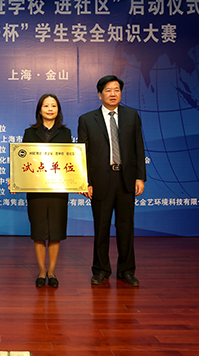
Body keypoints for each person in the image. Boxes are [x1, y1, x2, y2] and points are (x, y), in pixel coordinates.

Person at [77, 75, 146, 287]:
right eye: (108, 90)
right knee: (101, 228)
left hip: (126, 180)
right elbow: (82, 154)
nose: (113, 94)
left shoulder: (132, 116)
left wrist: (140, 177)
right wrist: (84, 181)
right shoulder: (87, 119)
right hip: (100, 181)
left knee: (126, 228)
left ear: (121, 93)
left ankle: (127, 271)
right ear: (100, 95)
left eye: (116, 89)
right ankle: (100, 270)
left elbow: (139, 147)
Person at [22, 94, 72, 288]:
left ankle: (52, 271)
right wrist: (16, 179)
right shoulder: (29, 133)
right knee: (39, 231)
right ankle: (41, 271)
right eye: (46, 106)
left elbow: (71, 160)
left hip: (59, 189)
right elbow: (23, 160)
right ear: (40, 110)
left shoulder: (65, 133)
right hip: (36, 190)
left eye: (53, 106)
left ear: (58, 110)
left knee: (55, 232)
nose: (50, 109)